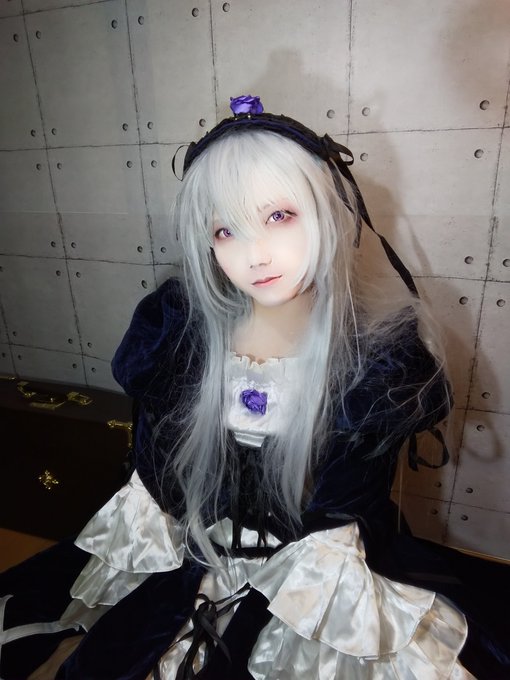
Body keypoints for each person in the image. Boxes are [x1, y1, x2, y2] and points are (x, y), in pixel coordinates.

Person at [1, 96, 509, 680]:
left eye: (279, 216)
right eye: (226, 230)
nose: (254, 255)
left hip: (318, 576)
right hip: (196, 557)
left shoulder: (379, 359)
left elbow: (346, 507)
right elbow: (161, 474)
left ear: (326, 211)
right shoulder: (179, 336)